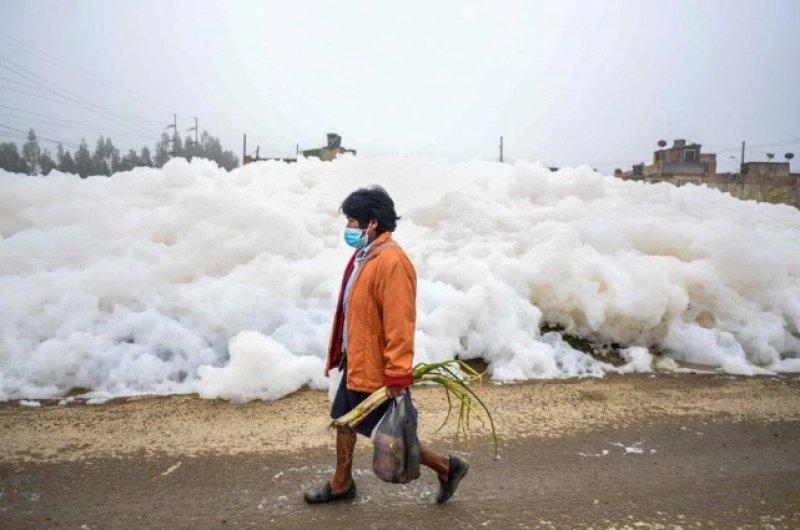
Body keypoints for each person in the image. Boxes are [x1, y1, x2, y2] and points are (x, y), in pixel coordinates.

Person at [303, 185, 469, 504]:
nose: (348, 229)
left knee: (392, 437)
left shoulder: (392, 262)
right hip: (358, 358)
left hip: (378, 366)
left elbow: (399, 322)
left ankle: (448, 467)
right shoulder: (366, 256)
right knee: (346, 422)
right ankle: (341, 483)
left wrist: (397, 373)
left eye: (353, 222)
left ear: (373, 223)